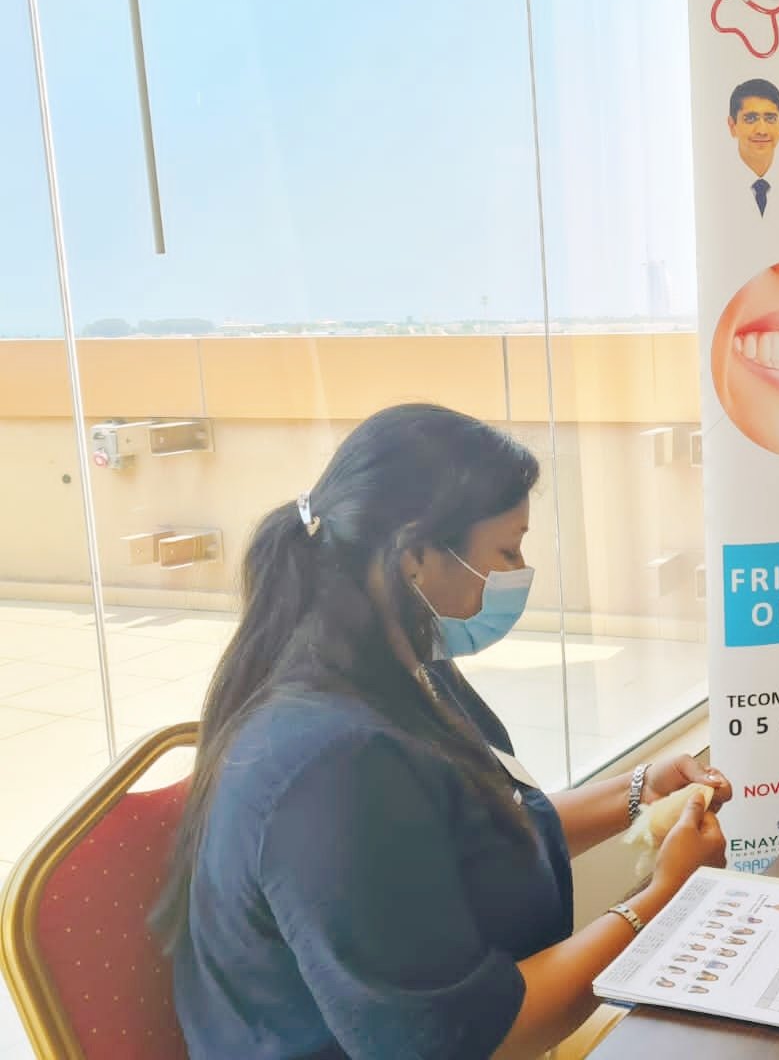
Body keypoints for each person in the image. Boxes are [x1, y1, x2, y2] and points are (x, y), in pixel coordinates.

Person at [155, 404, 732, 1059]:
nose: (518, 572)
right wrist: (662, 902)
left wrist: (637, 792)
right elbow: (463, 1041)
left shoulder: (401, 671)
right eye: (507, 550)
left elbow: (482, 831)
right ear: (415, 555)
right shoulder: (333, 768)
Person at [727, 78, 779, 216]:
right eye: (751, 119)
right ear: (732, 126)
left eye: (770, 118)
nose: (762, 131)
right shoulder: (712, 185)